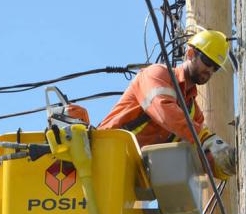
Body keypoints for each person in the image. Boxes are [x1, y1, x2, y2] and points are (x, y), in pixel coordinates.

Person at [98, 29, 236, 180]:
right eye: (207, 61)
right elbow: (164, 111)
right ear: (190, 54)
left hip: (128, 176)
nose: (209, 70)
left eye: (215, 67)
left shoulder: (193, 112)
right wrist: (202, 135)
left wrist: (227, 163)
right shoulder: (158, 74)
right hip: (104, 154)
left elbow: (201, 153)